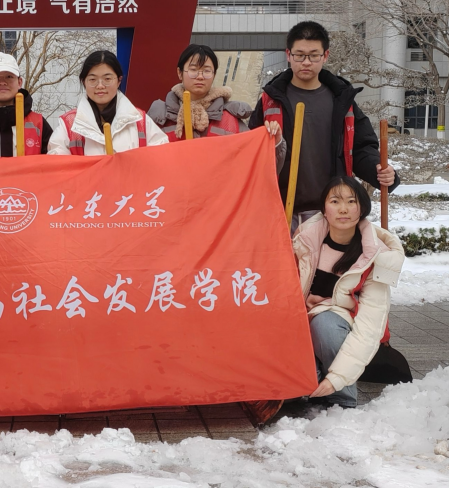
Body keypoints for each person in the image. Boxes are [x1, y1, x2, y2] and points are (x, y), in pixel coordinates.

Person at [248, 21, 399, 233]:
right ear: (288, 54)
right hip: (281, 210)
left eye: (313, 55)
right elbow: (251, 153)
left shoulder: (342, 99)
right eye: (299, 55)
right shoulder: (270, 100)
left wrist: (378, 170)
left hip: (330, 212)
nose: (306, 62)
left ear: (325, 56)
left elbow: (362, 147)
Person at [293, 176, 404, 408]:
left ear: (361, 208)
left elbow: (369, 325)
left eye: (351, 201)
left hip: (340, 320)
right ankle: (308, 380)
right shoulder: (305, 240)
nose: (343, 209)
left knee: (325, 326)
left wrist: (337, 379)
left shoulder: (376, 256)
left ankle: (341, 400)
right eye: (335, 201)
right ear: (324, 209)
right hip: (300, 316)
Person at [148, 43, 286, 170]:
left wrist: (275, 144)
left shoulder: (231, 121)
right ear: (179, 73)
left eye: (207, 71)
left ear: (214, 74)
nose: (200, 76)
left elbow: (256, 166)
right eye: (193, 70)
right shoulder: (159, 118)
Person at [48, 50, 169, 155]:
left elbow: (160, 156)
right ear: (84, 82)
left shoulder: (139, 121)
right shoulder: (69, 124)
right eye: (93, 79)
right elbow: (58, 164)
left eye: (107, 79)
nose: (100, 86)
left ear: (119, 81)